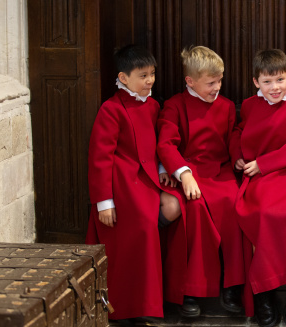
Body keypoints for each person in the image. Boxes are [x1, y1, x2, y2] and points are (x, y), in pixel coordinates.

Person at [86, 44, 181, 322]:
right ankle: (125, 308)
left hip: (148, 180)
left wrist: (163, 168)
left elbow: (157, 144)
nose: (150, 80)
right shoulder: (111, 109)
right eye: (142, 75)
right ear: (124, 78)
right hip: (122, 185)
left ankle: (146, 303)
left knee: (173, 211)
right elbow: (100, 158)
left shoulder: (152, 105)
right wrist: (104, 202)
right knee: (140, 227)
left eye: (152, 74)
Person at [230, 49, 286, 327]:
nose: (275, 88)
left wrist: (265, 162)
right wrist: (238, 156)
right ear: (256, 82)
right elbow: (238, 131)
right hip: (261, 178)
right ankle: (263, 292)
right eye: (267, 82)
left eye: (280, 80)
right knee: (264, 214)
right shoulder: (248, 105)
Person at [157, 46, 244, 317]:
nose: (217, 87)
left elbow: (233, 139)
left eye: (219, 81)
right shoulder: (174, 105)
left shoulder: (228, 106)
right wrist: (184, 174)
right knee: (194, 210)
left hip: (220, 172)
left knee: (233, 206)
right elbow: (166, 144)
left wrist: (240, 157)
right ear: (190, 81)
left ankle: (233, 284)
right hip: (189, 172)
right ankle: (191, 288)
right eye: (210, 83)